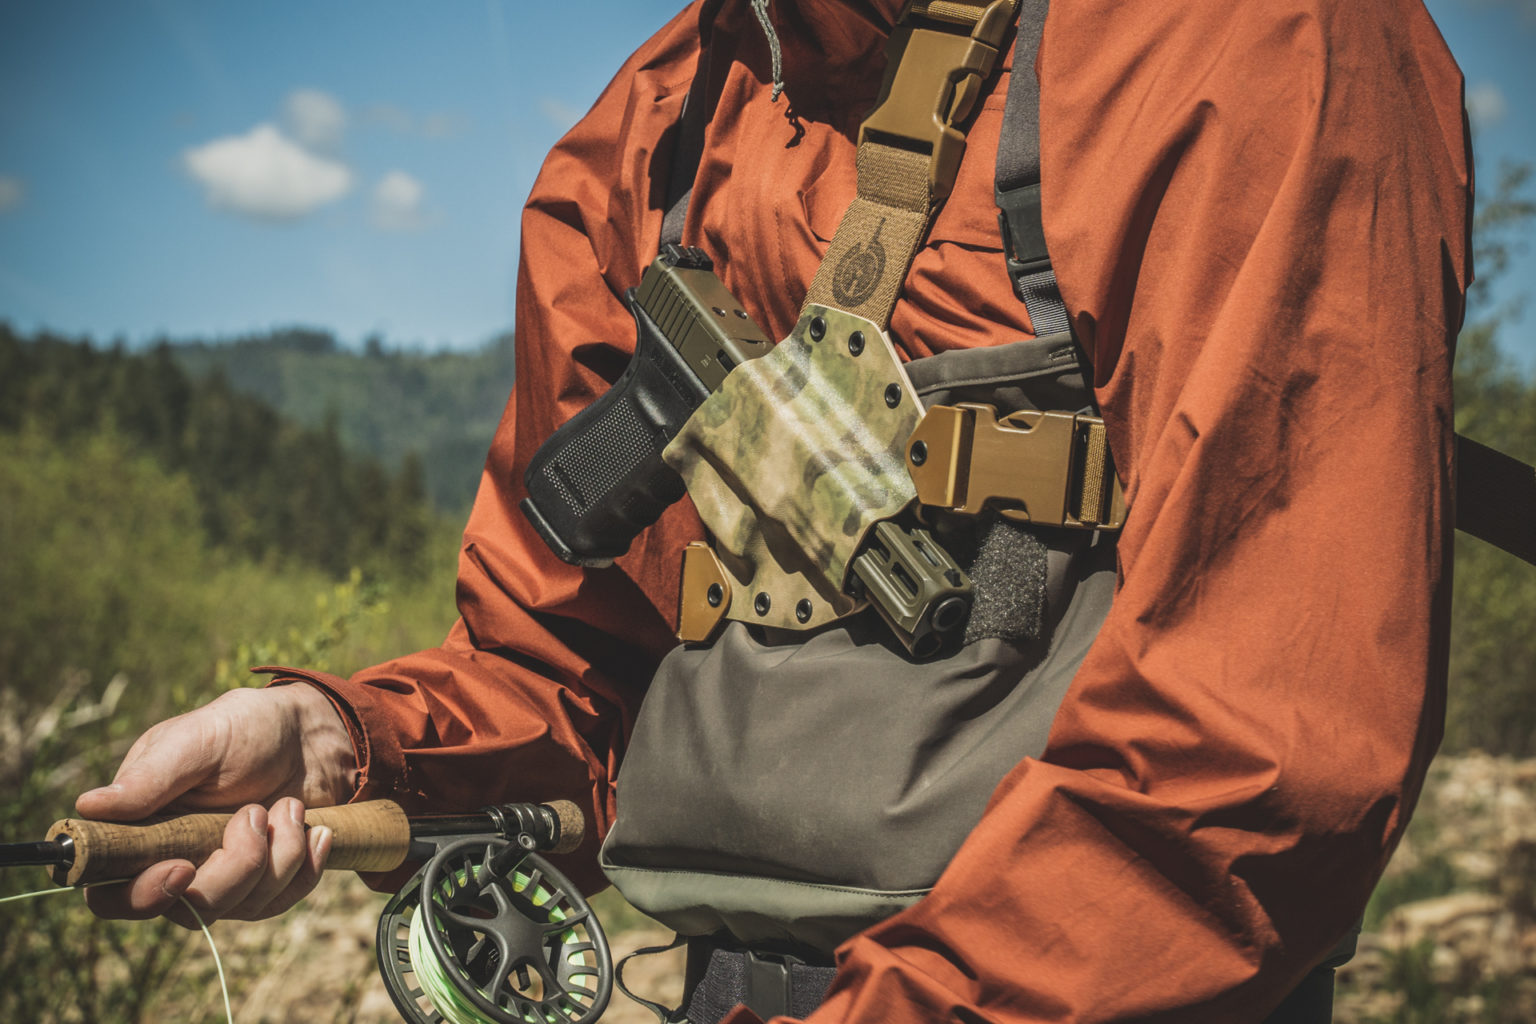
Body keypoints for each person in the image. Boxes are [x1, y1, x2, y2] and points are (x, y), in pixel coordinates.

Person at [77, 0, 1473, 1020]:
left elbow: (1262, 744)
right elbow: (571, 675)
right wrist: (347, 742)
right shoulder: (657, 124)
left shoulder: (1256, 39)